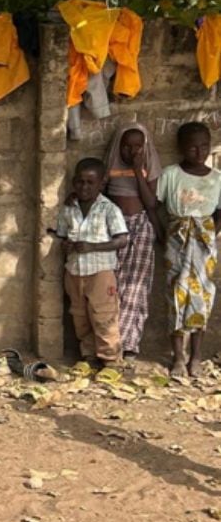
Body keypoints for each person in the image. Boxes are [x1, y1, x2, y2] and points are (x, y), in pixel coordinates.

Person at [156, 121, 221, 377]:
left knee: (202, 296)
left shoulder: (216, 179)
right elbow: (155, 205)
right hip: (176, 240)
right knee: (175, 295)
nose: (199, 151)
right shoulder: (171, 174)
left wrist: (208, 232)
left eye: (204, 146)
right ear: (181, 148)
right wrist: (164, 235)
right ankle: (178, 357)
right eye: (193, 147)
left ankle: (196, 356)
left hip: (204, 243)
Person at [54, 157, 128, 369]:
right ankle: (89, 356)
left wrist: (93, 247)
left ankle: (111, 361)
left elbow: (122, 239)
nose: (84, 187)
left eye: (90, 182)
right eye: (79, 182)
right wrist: (66, 245)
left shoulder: (108, 209)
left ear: (101, 183)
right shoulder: (69, 208)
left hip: (100, 273)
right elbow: (60, 236)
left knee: (104, 315)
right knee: (80, 315)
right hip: (75, 271)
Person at [104, 124, 161, 359]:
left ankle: (129, 346)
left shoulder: (147, 168)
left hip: (140, 227)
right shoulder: (110, 167)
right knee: (111, 287)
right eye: (127, 146)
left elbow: (151, 203)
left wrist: (139, 171)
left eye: (138, 146)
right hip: (113, 229)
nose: (132, 151)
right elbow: (101, 195)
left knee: (136, 289)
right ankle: (109, 343)